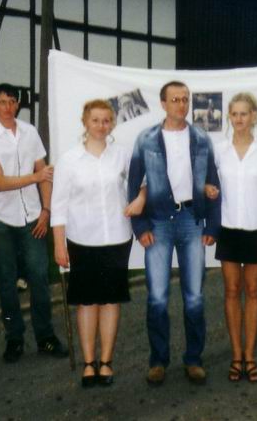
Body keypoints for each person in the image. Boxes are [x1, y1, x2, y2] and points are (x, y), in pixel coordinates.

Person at [128, 80, 221, 386]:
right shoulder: (146, 140)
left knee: (194, 297)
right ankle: (158, 361)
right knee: (157, 297)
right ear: (163, 103)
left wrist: (212, 225)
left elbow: (213, 183)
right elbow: (134, 185)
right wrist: (140, 227)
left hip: (192, 220)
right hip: (158, 223)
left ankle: (194, 359)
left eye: (185, 99)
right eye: (175, 99)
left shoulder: (201, 138)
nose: (182, 105)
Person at [52, 99, 145, 387]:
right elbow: (58, 205)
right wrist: (58, 244)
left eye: (106, 120)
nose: (101, 126)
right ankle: (89, 362)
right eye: (95, 120)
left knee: (110, 300)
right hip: (82, 239)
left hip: (116, 237)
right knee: (87, 301)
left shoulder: (122, 155)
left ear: (112, 124)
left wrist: (141, 198)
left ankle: (106, 362)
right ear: (85, 122)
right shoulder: (69, 160)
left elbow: (142, 182)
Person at [0, 83, 68, 363]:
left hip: (32, 216)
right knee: (7, 280)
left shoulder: (30, 132)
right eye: (2, 102)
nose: (8, 107)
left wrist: (46, 210)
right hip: (1, 218)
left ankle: (45, 336)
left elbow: (45, 173)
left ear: (18, 104)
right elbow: (0, 183)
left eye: (12, 102)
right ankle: (14, 338)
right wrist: (36, 178)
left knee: (39, 276)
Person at [209, 93, 257, 383]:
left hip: (256, 230)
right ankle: (236, 355)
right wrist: (208, 191)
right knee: (230, 291)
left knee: (252, 291)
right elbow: (209, 186)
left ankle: (250, 356)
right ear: (229, 117)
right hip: (228, 229)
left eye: (244, 113)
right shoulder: (219, 150)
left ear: (253, 116)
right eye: (235, 114)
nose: (239, 119)